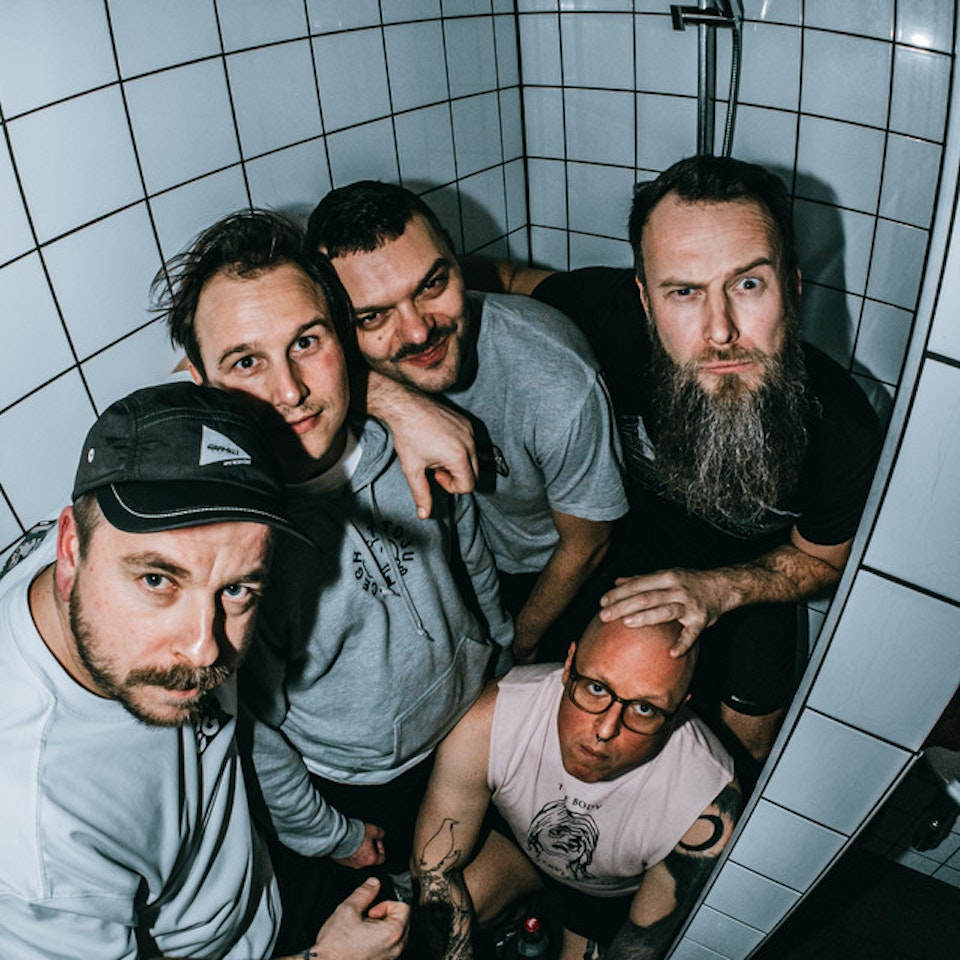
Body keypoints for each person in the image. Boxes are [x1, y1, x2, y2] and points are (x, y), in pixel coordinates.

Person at [155, 210, 512, 942]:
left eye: (306, 343)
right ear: (200, 383)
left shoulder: (411, 438)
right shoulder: (229, 551)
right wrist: (328, 832)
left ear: (342, 339)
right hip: (366, 781)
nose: (289, 391)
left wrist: (501, 649)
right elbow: (251, 725)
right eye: (246, 362)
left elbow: (471, 553)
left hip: (472, 720)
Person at [463, 155, 883, 770]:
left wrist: (719, 589)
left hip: (748, 580)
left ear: (791, 288)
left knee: (737, 758)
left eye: (747, 285)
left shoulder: (841, 428)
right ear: (645, 299)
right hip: (622, 557)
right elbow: (501, 277)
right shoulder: (612, 317)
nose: (720, 330)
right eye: (684, 292)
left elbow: (822, 560)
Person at [0, 381, 409, 960]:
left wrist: (410, 409)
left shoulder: (112, 521)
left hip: (257, 871)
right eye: (157, 581)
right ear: (70, 549)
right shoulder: (32, 840)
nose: (204, 648)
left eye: (237, 590)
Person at [306, 182, 629, 665]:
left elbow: (587, 545)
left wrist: (521, 643)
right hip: (457, 563)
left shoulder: (557, 381)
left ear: (456, 260)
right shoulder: (332, 354)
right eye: (373, 316)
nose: (418, 331)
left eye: (431, 286)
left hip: (549, 572)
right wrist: (399, 404)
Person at [411, 616, 739, 960]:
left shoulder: (705, 802)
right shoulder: (493, 717)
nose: (606, 729)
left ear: (679, 708)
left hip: (609, 895)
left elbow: (640, 944)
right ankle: (517, 911)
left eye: (644, 708)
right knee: (436, 920)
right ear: (569, 666)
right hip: (520, 847)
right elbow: (434, 870)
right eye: (596, 688)